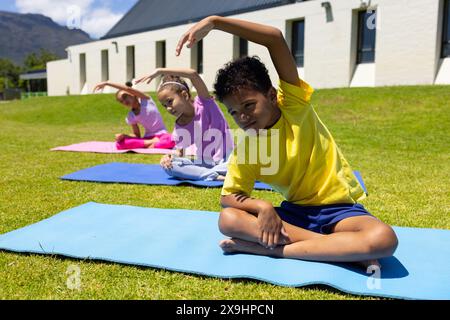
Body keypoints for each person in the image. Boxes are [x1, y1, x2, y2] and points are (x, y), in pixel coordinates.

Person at [176, 16, 398, 268]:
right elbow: (230, 197)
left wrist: (215, 22)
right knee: (228, 220)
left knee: (385, 239)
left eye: (249, 105)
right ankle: (341, 249)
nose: (243, 117)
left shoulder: (294, 105)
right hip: (295, 215)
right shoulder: (248, 147)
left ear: (271, 95)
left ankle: (275, 251)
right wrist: (262, 207)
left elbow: (274, 39)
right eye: (234, 112)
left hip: (339, 211)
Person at [137, 68, 233, 181]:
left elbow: (193, 75)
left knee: (244, 161)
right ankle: (215, 175)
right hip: (204, 163)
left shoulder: (205, 103)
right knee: (170, 166)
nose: (168, 108)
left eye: (170, 101)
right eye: (164, 105)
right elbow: (179, 152)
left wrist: (160, 71)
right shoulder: (180, 125)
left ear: (185, 95)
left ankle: (213, 174)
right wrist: (168, 158)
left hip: (227, 160)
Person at [93, 81, 174, 150]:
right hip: (148, 138)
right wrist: (124, 136)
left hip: (162, 135)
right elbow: (137, 135)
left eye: (125, 97)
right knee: (119, 144)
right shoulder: (131, 116)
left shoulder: (146, 100)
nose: (124, 101)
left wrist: (107, 83)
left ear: (133, 94)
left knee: (172, 139)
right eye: (121, 101)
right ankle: (152, 144)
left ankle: (149, 145)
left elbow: (127, 89)